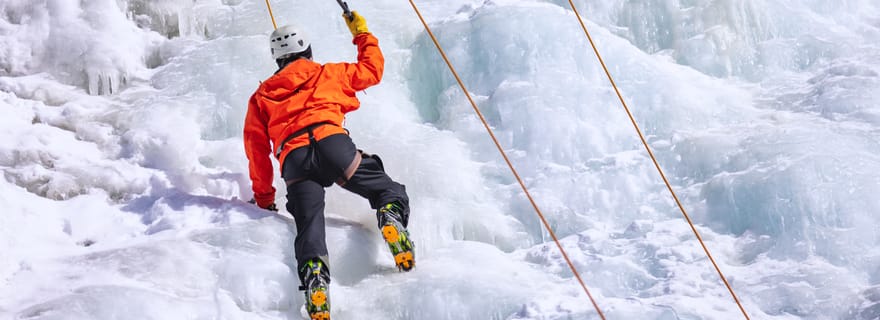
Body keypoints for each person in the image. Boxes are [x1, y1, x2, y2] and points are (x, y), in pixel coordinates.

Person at [243, 11, 414, 320]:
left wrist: (265, 198)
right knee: (386, 189)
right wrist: (361, 33)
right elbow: (372, 70)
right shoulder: (329, 73)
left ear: (276, 59)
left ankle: (316, 283)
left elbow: (256, 150)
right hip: (333, 146)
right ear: (307, 49)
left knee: (309, 226)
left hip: (294, 160)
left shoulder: (261, 96)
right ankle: (389, 217)